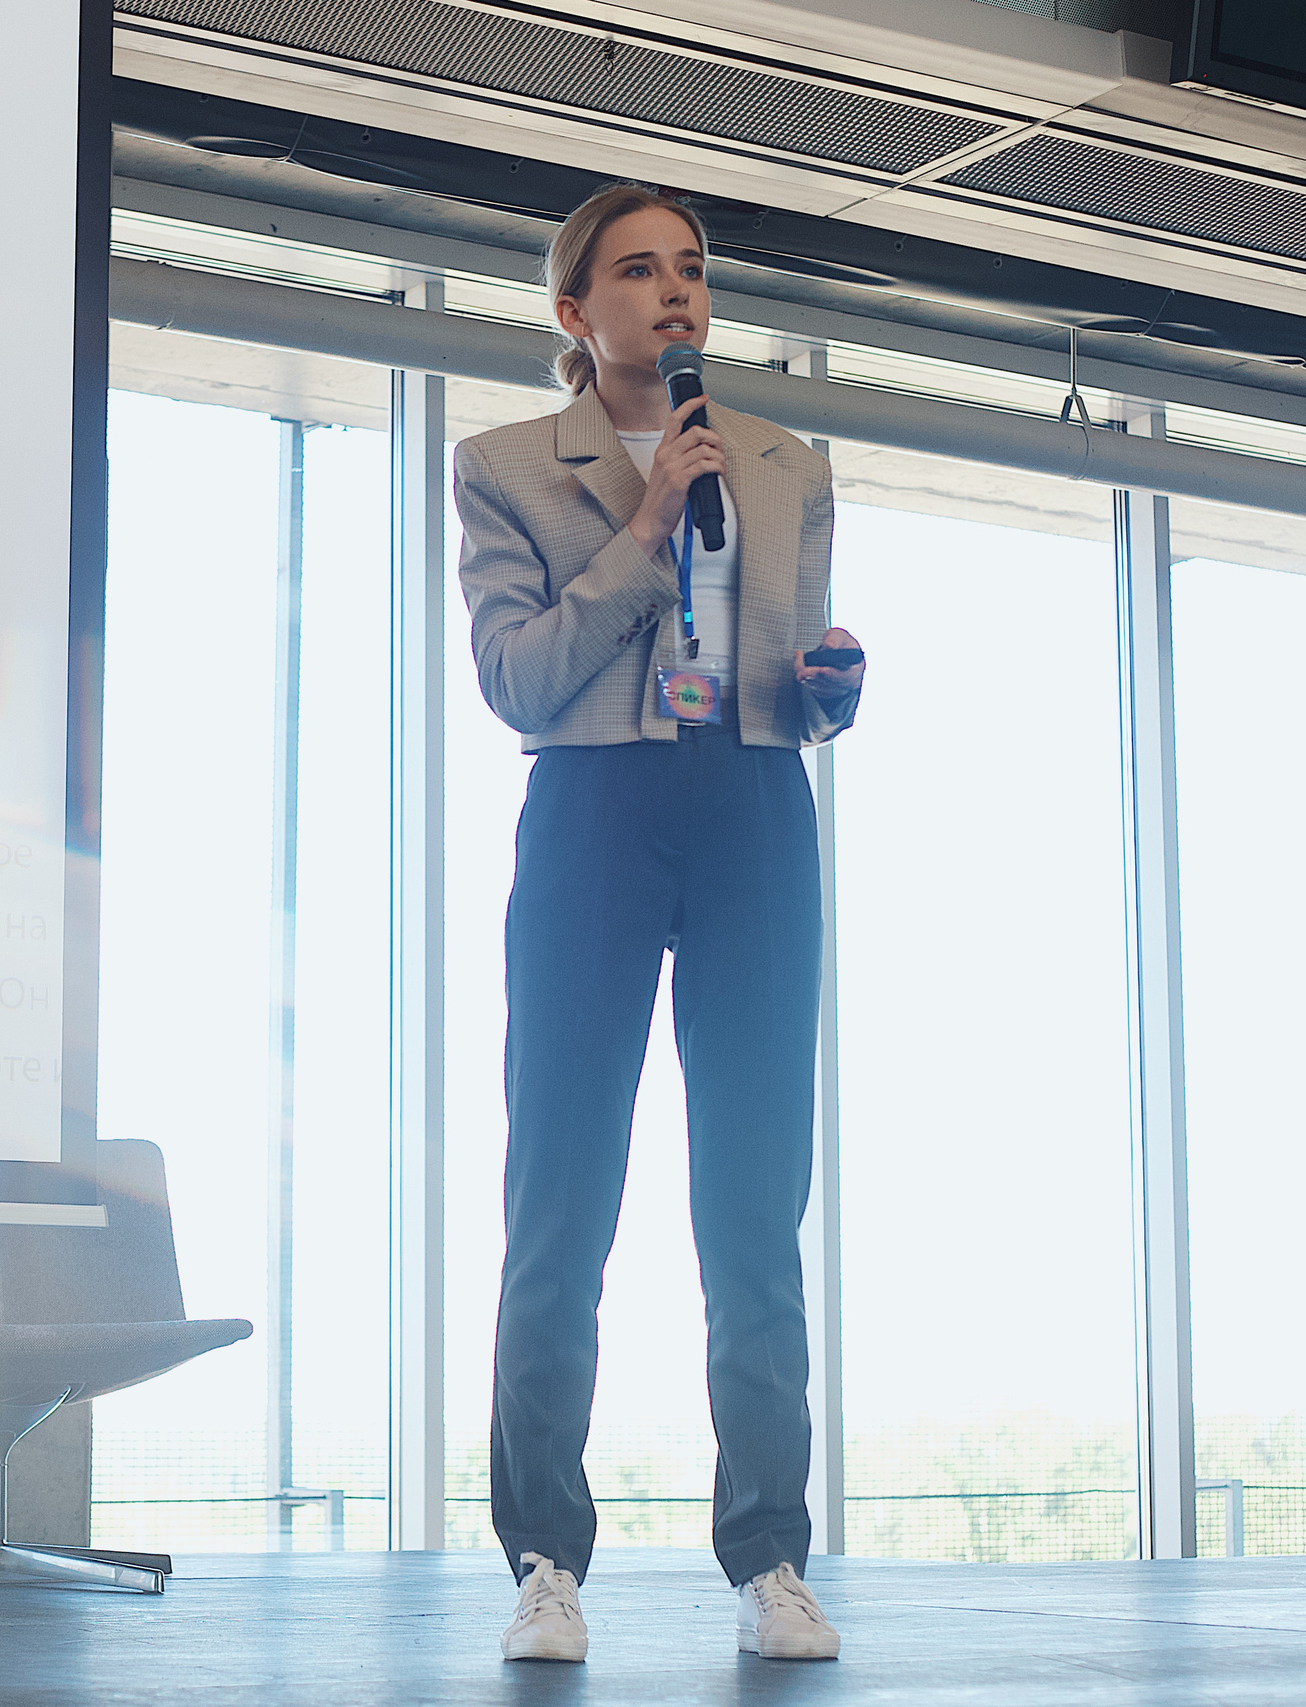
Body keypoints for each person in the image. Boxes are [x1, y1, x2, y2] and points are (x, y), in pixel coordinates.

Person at [455, 183, 866, 1666]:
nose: (675, 291)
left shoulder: (785, 464)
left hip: (753, 808)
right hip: (592, 815)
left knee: (755, 1211)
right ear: (577, 311)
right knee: (559, 1203)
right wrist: (643, 523)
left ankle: (769, 1556)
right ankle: (546, 1558)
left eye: (690, 268)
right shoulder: (505, 465)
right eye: (638, 270)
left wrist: (833, 686)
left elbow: (786, 673)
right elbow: (519, 679)